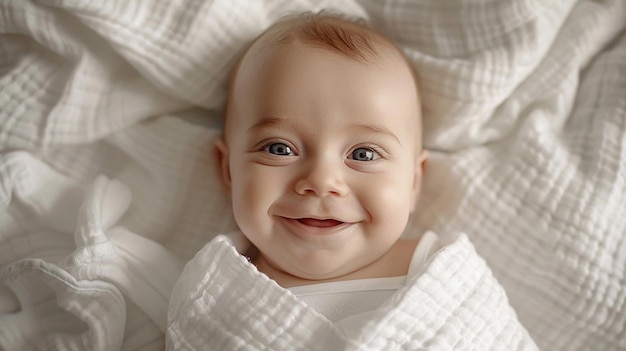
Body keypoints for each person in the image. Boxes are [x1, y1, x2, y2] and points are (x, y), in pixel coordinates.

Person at [208, 10, 440, 321]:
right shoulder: (214, 287)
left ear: (413, 182)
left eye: (363, 155)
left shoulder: (437, 271)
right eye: (280, 149)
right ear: (228, 171)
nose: (321, 180)